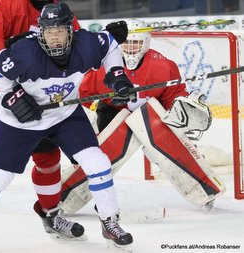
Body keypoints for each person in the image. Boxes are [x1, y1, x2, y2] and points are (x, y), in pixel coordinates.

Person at [0, 3, 134, 252]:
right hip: (10, 110)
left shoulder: (79, 39)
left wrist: (116, 75)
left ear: (70, 30)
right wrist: (13, 93)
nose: (56, 38)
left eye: (61, 31)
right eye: (50, 32)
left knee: (73, 162)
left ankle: (97, 219)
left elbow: (102, 47)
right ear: (40, 33)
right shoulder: (20, 37)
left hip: (60, 113)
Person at [59, 18, 225, 214]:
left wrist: (183, 109)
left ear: (146, 43)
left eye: (136, 43)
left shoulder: (163, 66)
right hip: (113, 112)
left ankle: (203, 191)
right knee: (100, 158)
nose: (130, 48)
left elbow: (173, 96)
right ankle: (69, 198)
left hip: (150, 113)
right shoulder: (103, 67)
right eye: (126, 42)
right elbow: (84, 96)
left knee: (175, 149)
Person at [0, 0, 81, 235]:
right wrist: (9, 54)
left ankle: (50, 213)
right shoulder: (7, 5)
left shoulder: (61, 12)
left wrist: (110, 58)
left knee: (48, 158)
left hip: (37, 93)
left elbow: (81, 50)